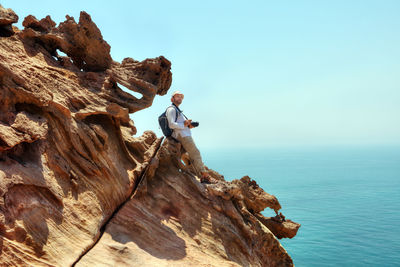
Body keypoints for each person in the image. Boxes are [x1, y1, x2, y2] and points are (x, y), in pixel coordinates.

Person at [166, 91, 211, 183]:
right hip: (183, 136)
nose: (179, 98)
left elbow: (181, 124)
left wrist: (189, 125)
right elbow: (171, 124)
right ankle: (204, 176)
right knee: (195, 153)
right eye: (177, 96)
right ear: (172, 99)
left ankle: (194, 175)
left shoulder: (178, 110)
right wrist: (184, 124)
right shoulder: (171, 109)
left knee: (184, 156)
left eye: (181, 97)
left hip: (183, 135)